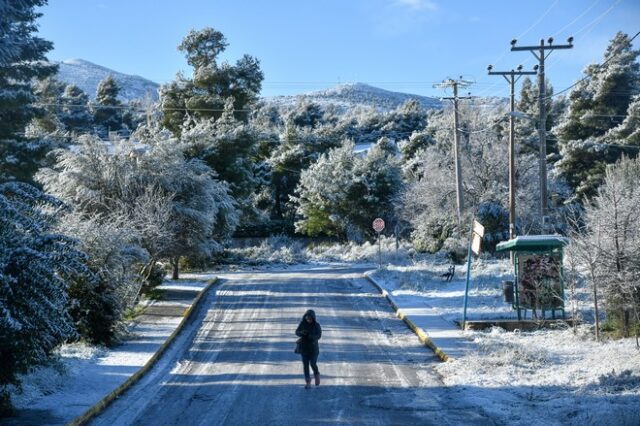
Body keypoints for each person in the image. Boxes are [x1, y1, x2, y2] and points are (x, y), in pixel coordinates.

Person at [295, 309, 322, 389]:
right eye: (307, 318)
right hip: (304, 349)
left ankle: (317, 376)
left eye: (310, 319)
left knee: (313, 364)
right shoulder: (302, 324)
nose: (308, 320)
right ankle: (308, 382)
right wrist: (301, 333)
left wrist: (310, 336)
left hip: (314, 349)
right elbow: (297, 332)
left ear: (313, 318)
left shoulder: (317, 325)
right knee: (305, 365)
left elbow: (319, 336)